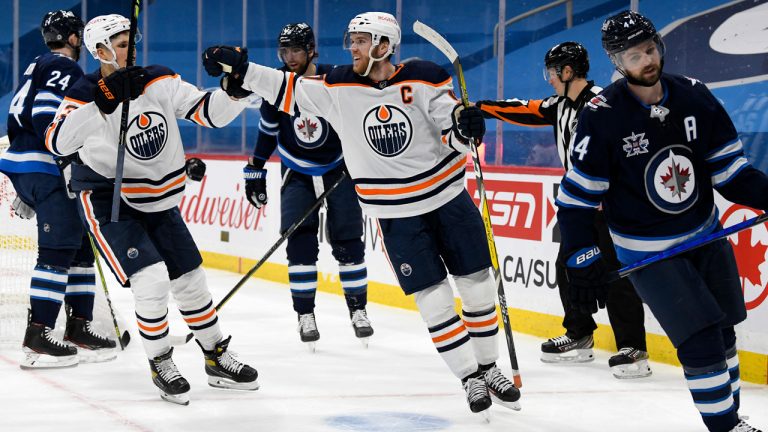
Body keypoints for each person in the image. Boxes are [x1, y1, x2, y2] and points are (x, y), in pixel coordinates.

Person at [202, 11, 521, 417]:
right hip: (396, 214)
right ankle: (469, 377)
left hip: (449, 200)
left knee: (477, 287)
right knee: (434, 301)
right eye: (351, 40)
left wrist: (467, 127)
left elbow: (453, 133)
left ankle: (490, 368)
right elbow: (286, 87)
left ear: (384, 45)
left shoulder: (423, 76)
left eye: (360, 40)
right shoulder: (338, 87)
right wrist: (243, 69)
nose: (350, 48)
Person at [557, 10, 764, 432]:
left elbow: (731, 173)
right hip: (650, 253)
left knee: (724, 333)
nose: (646, 61)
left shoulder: (694, 96)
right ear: (617, 62)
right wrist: (581, 254)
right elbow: (577, 200)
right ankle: (724, 427)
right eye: (634, 57)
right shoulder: (602, 114)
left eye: (650, 50)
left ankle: (732, 419)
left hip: (706, 235)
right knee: (700, 340)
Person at [44, 14, 258, 405]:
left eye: (131, 41)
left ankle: (215, 355)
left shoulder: (157, 79)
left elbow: (208, 112)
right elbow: (58, 141)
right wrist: (102, 102)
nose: (131, 49)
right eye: (121, 43)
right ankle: (160, 360)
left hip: (158, 201)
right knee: (152, 279)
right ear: (100, 50)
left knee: (191, 280)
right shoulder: (85, 88)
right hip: (109, 201)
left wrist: (233, 91)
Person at [475, 42, 650, 379]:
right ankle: (579, 334)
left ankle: (633, 347)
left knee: (615, 275)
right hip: (578, 208)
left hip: (612, 206)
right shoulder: (560, 105)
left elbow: (635, 142)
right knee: (568, 269)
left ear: (568, 71)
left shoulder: (605, 102)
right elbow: (521, 108)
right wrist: (478, 108)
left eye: (553, 73)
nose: (549, 80)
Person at [0, 10, 117, 369]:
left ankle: (78, 327)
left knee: (80, 246)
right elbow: (43, 115)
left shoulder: (37, 64)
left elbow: (18, 117)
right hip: (46, 167)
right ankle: (38, 335)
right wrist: (61, 166)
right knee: (56, 251)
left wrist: (29, 183)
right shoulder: (65, 68)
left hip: (32, 166)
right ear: (73, 38)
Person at [246, 23, 372, 351]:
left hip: (338, 169)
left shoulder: (333, 79)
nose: (290, 58)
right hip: (296, 172)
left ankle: (358, 309)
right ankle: (305, 315)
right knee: (299, 243)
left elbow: (359, 119)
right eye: (284, 51)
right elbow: (268, 132)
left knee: (348, 241)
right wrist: (255, 168)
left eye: (296, 51)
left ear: (311, 50)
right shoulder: (276, 84)